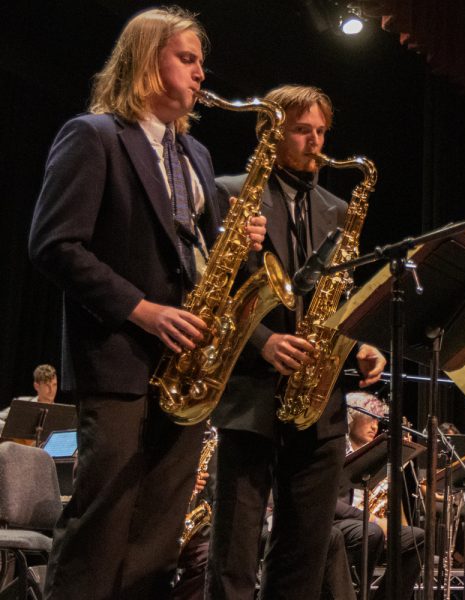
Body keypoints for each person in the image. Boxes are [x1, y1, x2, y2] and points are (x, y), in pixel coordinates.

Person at [27, 7, 267, 598]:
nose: (200, 75)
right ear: (144, 59)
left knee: (160, 531)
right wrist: (144, 310)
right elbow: (55, 244)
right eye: (186, 59)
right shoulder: (94, 134)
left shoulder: (197, 157)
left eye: (201, 63)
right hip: (120, 357)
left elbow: (194, 257)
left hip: (186, 369)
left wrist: (235, 244)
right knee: (102, 521)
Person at [205, 84, 386, 599]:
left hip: (318, 398)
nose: (316, 142)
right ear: (272, 132)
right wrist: (262, 341)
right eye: (303, 130)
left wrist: (359, 347)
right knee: (235, 551)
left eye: (322, 131)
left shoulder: (336, 207)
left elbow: (336, 298)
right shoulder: (228, 191)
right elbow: (212, 291)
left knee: (304, 550)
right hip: (249, 391)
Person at [335, 391, 425, 600]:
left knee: (417, 537)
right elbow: (330, 504)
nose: (375, 425)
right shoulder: (337, 450)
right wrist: (373, 519)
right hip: (339, 521)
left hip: (368, 524)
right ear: (350, 416)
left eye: (377, 419)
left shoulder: (375, 457)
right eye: (369, 417)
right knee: (372, 532)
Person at [0, 364, 58, 434]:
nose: (52, 390)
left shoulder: (60, 412)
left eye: (54, 385)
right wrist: (12, 427)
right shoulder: (23, 404)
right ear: (36, 386)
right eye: (47, 385)